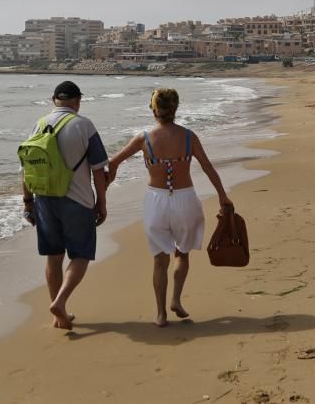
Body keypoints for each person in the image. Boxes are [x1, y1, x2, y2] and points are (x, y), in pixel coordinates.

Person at [107, 88, 232, 327]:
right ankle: (176, 299)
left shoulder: (144, 138)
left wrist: (102, 191)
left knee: (159, 260)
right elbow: (207, 167)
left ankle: (160, 314)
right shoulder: (188, 137)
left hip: (156, 201)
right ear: (175, 109)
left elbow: (114, 162)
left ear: (154, 109)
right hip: (185, 199)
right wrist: (222, 196)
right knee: (182, 254)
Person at [22, 80, 109, 330]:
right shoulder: (84, 125)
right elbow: (98, 171)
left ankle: (58, 315)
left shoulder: (38, 125)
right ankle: (60, 302)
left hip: (44, 200)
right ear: (77, 101)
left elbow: (27, 170)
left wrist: (28, 203)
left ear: (53, 100)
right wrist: (101, 203)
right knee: (81, 255)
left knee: (53, 257)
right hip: (77, 200)